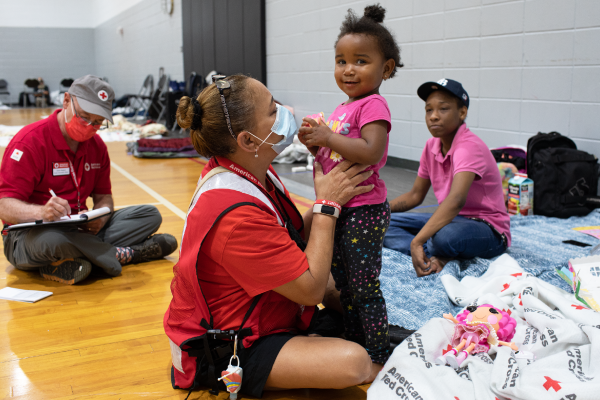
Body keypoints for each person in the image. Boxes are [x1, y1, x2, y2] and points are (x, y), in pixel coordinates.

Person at [164, 74, 380, 399]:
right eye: (272, 109)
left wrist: (333, 196)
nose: (284, 111)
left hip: (268, 313)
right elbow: (310, 290)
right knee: (355, 363)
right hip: (227, 344)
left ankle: (307, 347)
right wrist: (327, 206)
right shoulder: (234, 210)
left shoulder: (250, 168)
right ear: (248, 141)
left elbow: (290, 234)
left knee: (350, 295)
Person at [298, 4, 400, 365]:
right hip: (342, 208)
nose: (349, 69)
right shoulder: (345, 107)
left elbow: (371, 152)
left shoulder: (373, 106)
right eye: (341, 61)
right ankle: (353, 334)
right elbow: (335, 155)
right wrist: (316, 141)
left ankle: (375, 349)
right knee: (343, 282)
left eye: (360, 61)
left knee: (363, 285)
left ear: (385, 68)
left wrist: (328, 136)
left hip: (364, 212)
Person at [0, 75, 177, 285]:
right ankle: (128, 254)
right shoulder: (29, 143)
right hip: (29, 235)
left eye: (98, 123)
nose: (88, 127)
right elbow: (4, 205)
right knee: (52, 240)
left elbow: (104, 198)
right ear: (66, 101)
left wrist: (99, 218)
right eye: (84, 117)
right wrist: (41, 213)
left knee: (149, 214)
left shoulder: (97, 146)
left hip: (78, 229)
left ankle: (76, 258)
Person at [383, 79, 510, 276]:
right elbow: (415, 195)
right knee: (382, 222)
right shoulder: (430, 146)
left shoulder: (469, 146)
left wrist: (417, 240)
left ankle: (432, 249)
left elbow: (456, 200)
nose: (433, 116)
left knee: (445, 237)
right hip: (453, 220)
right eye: (428, 110)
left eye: (443, 109)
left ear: (462, 113)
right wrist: (378, 210)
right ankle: (432, 256)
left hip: (488, 229)